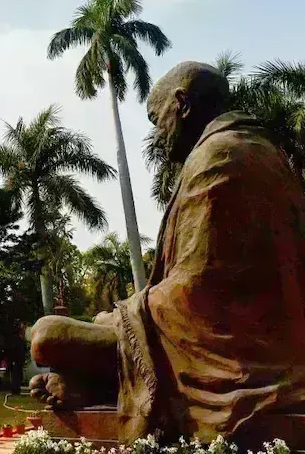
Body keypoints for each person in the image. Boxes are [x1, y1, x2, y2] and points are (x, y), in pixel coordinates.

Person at [27, 62, 305, 445]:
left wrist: (120, 319)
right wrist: (120, 317)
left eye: (157, 120)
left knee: (47, 335)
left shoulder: (219, 157)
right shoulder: (264, 152)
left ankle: (95, 384)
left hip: (225, 356)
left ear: (182, 105)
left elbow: (196, 293)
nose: (157, 136)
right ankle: (90, 386)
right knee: (96, 324)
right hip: (248, 343)